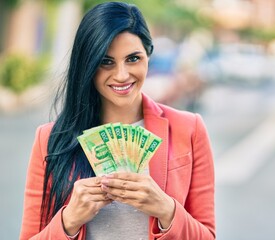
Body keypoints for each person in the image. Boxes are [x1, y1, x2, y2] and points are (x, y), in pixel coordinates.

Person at [20, 2, 215, 240]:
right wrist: (68, 221)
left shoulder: (189, 129)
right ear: (87, 64)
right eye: (106, 61)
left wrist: (167, 210)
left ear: (148, 54)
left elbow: (207, 236)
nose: (122, 75)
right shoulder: (49, 139)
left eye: (133, 58)